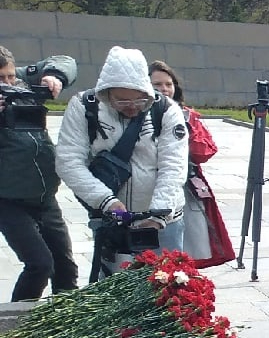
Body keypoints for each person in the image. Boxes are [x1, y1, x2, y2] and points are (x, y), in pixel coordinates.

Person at [55, 45, 187, 272]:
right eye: (122, 101)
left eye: (139, 101)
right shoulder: (84, 107)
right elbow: (68, 162)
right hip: (111, 219)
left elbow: (173, 167)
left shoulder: (165, 110)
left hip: (164, 221)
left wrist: (157, 216)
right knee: (115, 294)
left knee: (169, 290)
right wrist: (107, 202)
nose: (132, 108)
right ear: (106, 93)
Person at [0, 45, 77, 300]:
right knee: (40, 265)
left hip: (44, 197)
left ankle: (67, 326)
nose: (9, 83)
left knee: (66, 268)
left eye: (10, 76)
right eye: (1, 79)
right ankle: (14, 329)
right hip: (9, 201)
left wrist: (55, 76)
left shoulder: (22, 82)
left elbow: (64, 58)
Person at [147, 60, 231, 269]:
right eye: (157, 84)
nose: (164, 89)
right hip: (144, 189)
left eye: (168, 84)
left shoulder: (187, 116)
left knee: (187, 247)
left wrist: (186, 129)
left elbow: (205, 152)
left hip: (182, 188)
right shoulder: (135, 115)